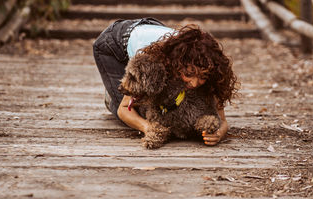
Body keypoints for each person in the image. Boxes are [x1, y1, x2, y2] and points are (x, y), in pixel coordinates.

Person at [93, 18, 238, 146]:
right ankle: (110, 96)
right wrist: (147, 127)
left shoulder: (209, 69)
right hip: (113, 42)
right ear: (177, 64)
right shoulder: (155, 63)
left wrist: (218, 134)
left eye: (203, 77)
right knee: (135, 101)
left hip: (148, 29)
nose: (194, 83)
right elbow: (124, 109)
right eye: (189, 74)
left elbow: (223, 121)